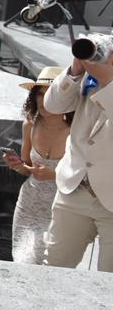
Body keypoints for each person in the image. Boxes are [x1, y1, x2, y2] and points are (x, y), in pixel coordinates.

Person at [44, 39, 113, 271]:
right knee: (54, 268)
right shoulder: (89, 73)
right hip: (75, 188)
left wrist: (107, 80)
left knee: (109, 281)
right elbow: (53, 105)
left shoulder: (102, 75)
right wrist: (75, 71)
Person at [5, 67, 71, 265]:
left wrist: (54, 175)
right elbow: (27, 167)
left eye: (49, 94)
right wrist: (16, 165)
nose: (42, 101)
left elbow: (87, 175)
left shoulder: (77, 130)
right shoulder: (30, 124)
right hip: (28, 204)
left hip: (62, 209)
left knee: (51, 266)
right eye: (39, 94)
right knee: (23, 260)